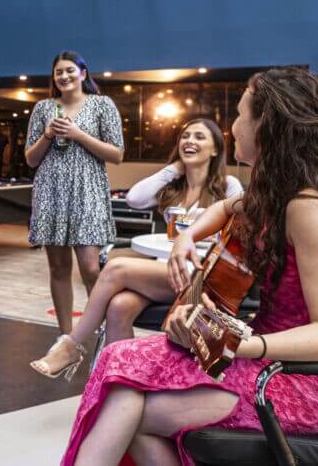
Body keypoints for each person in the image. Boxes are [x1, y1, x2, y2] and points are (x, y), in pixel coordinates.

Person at [62, 67, 318, 466]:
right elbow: (224, 208)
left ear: (265, 126)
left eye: (239, 114)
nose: (232, 126)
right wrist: (187, 237)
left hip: (309, 383)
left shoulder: (309, 208)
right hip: (269, 361)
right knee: (120, 361)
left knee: (126, 399)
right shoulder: (277, 195)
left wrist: (235, 344)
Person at [31, 118, 242, 379]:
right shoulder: (174, 187)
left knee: (116, 268)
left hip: (203, 277)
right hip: (167, 273)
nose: (190, 141)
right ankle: (121, 383)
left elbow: (238, 238)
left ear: (215, 149)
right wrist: (174, 169)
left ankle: (71, 346)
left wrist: (208, 235)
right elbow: (134, 198)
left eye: (199, 137)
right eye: (185, 136)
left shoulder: (228, 186)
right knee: (119, 307)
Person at [24, 51, 124, 340]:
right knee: (58, 268)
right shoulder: (43, 108)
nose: (64, 76)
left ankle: (104, 336)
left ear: (83, 74)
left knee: (91, 268)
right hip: (51, 191)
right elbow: (31, 159)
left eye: (70, 70)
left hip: (88, 190)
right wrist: (47, 135)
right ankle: (66, 339)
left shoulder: (102, 104)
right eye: (59, 72)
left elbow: (117, 154)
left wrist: (78, 134)